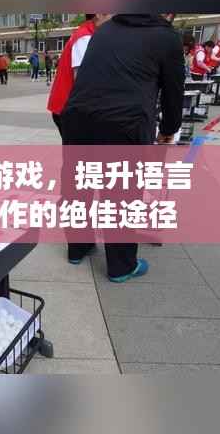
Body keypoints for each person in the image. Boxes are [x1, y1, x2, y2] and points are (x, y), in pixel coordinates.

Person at [61, 14, 184, 282]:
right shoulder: (167, 38)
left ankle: (78, 248)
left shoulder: (106, 30)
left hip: (78, 117)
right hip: (124, 124)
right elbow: (173, 93)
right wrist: (168, 130)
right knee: (122, 196)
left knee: (79, 186)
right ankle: (122, 266)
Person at [47, 14, 110, 138]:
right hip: (69, 108)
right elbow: (82, 80)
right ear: (99, 14)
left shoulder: (91, 33)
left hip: (72, 106)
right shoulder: (85, 37)